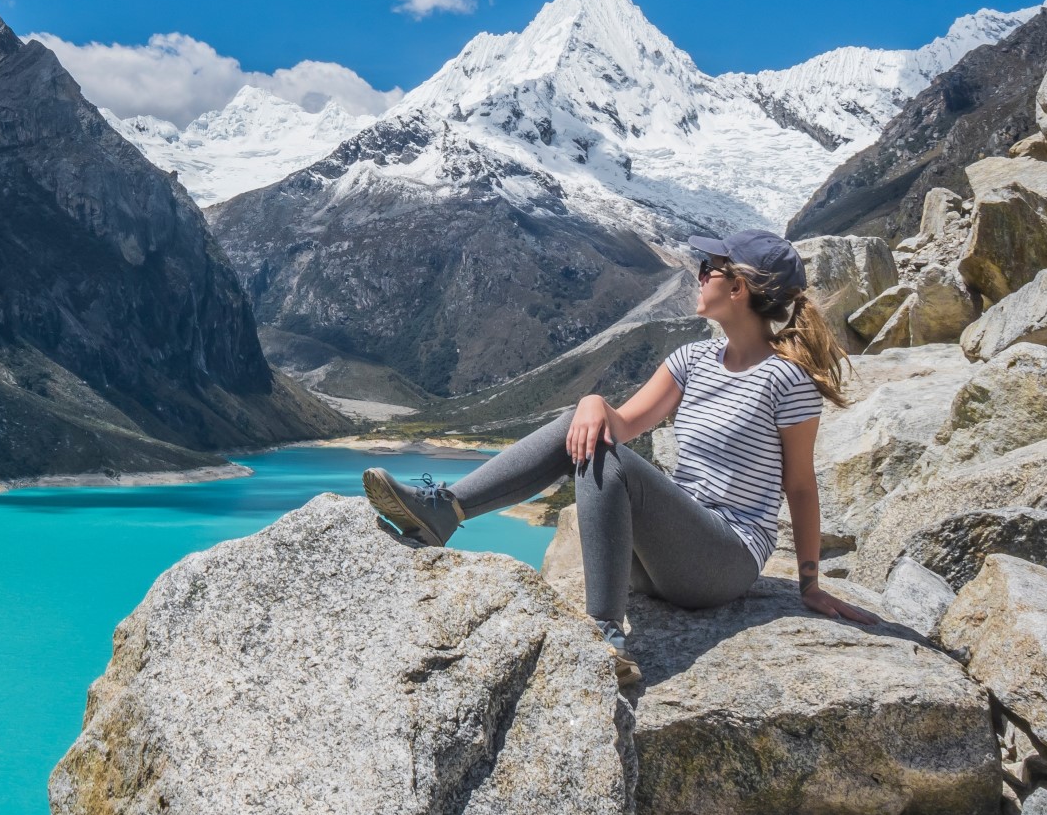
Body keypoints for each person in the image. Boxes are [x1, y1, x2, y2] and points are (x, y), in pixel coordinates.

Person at [362, 229, 880, 685]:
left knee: (606, 456)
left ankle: (605, 634)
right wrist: (590, 402)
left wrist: (811, 585)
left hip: (723, 560)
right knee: (583, 427)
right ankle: (446, 510)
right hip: (658, 557)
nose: (698, 276)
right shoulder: (691, 360)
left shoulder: (785, 380)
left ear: (738, 287)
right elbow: (625, 424)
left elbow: (800, 486)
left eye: (708, 269)